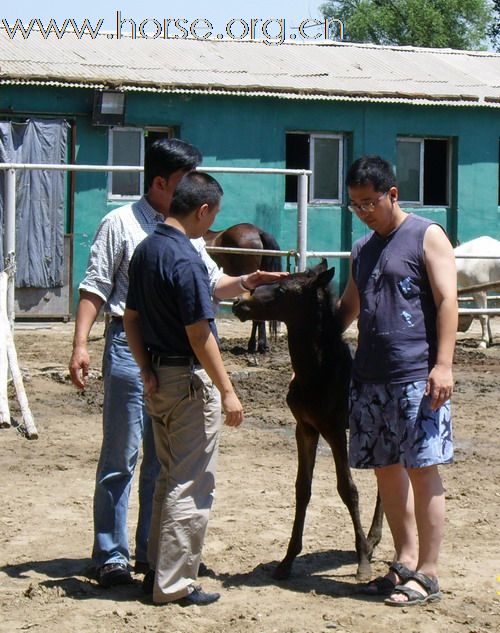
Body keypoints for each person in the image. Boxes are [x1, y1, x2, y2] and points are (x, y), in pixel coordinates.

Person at [69, 138, 285, 588]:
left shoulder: (184, 236)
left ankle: (153, 551)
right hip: (131, 350)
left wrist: (248, 280)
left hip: (163, 357)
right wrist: (81, 344)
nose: (193, 193)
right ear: (162, 182)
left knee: (162, 460)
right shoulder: (121, 224)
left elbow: (211, 281)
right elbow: (96, 287)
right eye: (185, 183)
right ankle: (110, 553)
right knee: (121, 454)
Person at [337, 155, 457, 607]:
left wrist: (442, 365)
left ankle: (428, 572)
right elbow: (349, 307)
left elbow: (447, 301)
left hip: (415, 376)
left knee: (422, 469)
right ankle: (404, 561)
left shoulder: (427, 235)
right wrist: (316, 351)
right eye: (354, 204)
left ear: (392, 194)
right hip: (370, 377)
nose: (363, 211)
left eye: (369, 202)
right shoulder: (363, 248)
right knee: (386, 469)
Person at [124, 171, 242, 606]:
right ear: (203, 210)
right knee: (190, 483)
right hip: (188, 380)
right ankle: (173, 584)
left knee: (169, 477)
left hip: (157, 375)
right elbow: (199, 333)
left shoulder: (146, 249)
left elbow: (130, 318)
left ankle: (157, 568)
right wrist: (227, 389)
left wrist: (145, 368)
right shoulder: (187, 259)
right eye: (213, 216)